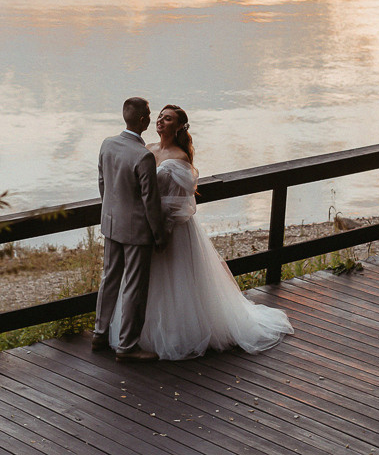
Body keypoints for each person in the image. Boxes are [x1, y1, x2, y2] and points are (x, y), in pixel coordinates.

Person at [109, 104, 293, 360]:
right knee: (144, 283)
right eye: (160, 117)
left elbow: (179, 203)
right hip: (144, 225)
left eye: (168, 118)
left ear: (178, 127)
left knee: (176, 283)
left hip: (171, 230)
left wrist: (162, 232)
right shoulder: (146, 149)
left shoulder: (180, 158)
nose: (161, 121)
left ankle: (176, 334)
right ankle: (137, 335)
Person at [93, 97, 169, 363]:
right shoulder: (143, 156)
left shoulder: (107, 144)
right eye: (148, 113)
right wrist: (159, 235)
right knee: (134, 287)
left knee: (109, 279)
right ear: (141, 120)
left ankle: (99, 333)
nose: (151, 117)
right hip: (137, 230)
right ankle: (127, 347)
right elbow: (151, 202)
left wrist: (111, 212)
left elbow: (102, 183)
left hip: (112, 224)